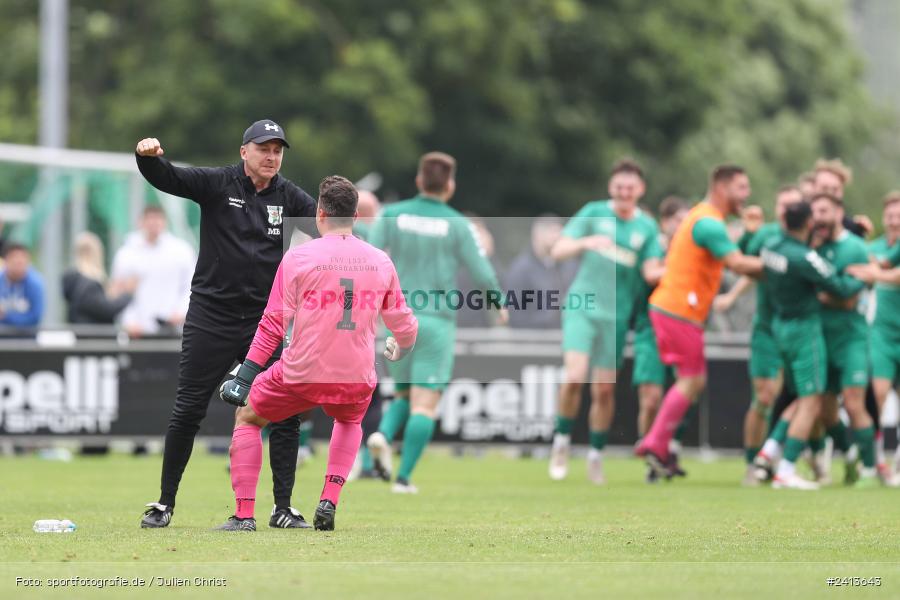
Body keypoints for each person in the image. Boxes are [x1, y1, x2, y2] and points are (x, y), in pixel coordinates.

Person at [134, 119, 318, 529]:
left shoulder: (293, 200)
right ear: (244, 152)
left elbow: (317, 243)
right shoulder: (219, 184)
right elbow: (169, 177)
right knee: (188, 409)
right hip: (211, 316)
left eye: (278, 150)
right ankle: (165, 504)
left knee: (285, 412)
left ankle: (283, 508)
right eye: (263, 149)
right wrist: (147, 157)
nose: (271, 157)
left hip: (265, 323)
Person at [215, 175, 418, 531]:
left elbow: (273, 325)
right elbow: (404, 323)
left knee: (248, 417)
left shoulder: (299, 258)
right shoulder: (381, 261)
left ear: (320, 213)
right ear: (355, 217)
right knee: (350, 420)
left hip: (303, 372)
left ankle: (245, 514)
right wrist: (401, 347)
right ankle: (329, 499)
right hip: (356, 376)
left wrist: (245, 374)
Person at [364, 152, 505, 494]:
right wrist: (498, 304)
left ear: (418, 181)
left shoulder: (392, 215)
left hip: (397, 318)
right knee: (425, 403)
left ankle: (382, 435)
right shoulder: (458, 224)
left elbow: (369, 256)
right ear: (451, 185)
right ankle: (404, 478)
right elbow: (482, 272)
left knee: (402, 393)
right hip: (437, 321)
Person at [636, 165, 762, 477]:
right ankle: (654, 442)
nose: (746, 195)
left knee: (693, 380)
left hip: (673, 309)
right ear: (721, 188)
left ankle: (661, 446)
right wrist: (783, 263)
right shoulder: (708, 222)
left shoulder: (705, 217)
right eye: (741, 188)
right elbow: (736, 263)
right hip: (679, 311)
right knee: (691, 380)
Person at [548, 159, 664, 485]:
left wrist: (682, 268)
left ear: (640, 190)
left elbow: (651, 271)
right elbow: (558, 250)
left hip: (616, 315)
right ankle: (561, 441)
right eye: (619, 187)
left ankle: (596, 454)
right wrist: (585, 242)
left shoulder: (647, 228)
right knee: (574, 377)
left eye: (630, 188)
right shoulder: (593, 212)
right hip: (582, 306)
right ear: (611, 188)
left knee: (603, 391)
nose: (624, 193)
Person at [756, 201, 866, 489]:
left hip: (780, 326)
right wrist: (860, 278)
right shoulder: (804, 257)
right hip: (805, 330)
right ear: (807, 223)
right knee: (812, 398)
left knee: (800, 396)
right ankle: (787, 469)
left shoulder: (770, 247)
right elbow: (840, 287)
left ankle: (769, 451)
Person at [712, 185, 803, 484]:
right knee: (764, 397)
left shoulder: (808, 239)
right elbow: (744, 266)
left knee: (803, 398)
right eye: (782, 205)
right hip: (767, 328)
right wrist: (733, 296)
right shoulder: (766, 235)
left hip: (801, 327)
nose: (786, 210)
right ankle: (753, 462)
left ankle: (793, 459)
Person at [809, 193, 877, 487]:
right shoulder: (813, 249)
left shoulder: (857, 247)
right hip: (821, 338)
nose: (819, 217)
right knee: (824, 408)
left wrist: (825, 296)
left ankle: (871, 471)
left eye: (824, 210)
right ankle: (849, 454)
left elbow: (850, 299)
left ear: (839, 212)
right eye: (815, 212)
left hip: (852, 339)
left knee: (853, 403)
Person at [631, 196, 688, 481]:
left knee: (682, 395)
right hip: (651, 330)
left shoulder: (692, 250)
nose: (682, 226)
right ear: (665, 223)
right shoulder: (653, 245)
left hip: (682, 329)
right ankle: (652, 454)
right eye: (678, 220)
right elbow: (651, 275)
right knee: (651, 398)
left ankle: (669, 451)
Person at [862, 192, 900, 478]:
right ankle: (876, 461)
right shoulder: (873, 247)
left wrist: (874, 272)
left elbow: (880, 270)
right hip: (883, 334)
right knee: (878, 394)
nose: (894, 220)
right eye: (890, 215)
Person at [111, 206, 194, 336]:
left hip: (174, 329)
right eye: (149, 219)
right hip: (137, 331)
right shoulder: (126, 254)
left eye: (157, 219)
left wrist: (182, 312)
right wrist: (129, 321)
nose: (153, 224)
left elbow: (190, 285)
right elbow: (118, 291)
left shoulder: (181, 251)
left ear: (164, 222)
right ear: (141, 222)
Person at [504, 214, 578, 329]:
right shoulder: (520, 270)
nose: (557, 237)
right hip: (534, 340)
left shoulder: (569, 266)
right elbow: (515, 314)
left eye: (559, 233)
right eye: (552, 232)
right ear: (537, 235)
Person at [63, 232, 135, 325]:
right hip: (93, 337)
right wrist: (127, 294)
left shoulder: (75, 281)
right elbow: (106, 310)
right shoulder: (89, 285)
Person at [0, 244, 44, 329]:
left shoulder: (35, 284)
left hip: (26, 337)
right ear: (6, 261)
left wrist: (6, 316)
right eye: (14, 261)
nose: (18, 265)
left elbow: (35, 317)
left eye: (21, 262)